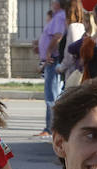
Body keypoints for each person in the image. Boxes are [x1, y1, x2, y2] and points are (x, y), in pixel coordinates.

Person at [36, 0, 68, 138]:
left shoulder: (60, 16)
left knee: (51, 97)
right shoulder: (57, 16)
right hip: (50, 60)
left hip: (53, 60)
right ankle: (51, 128)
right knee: (51, 95)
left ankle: (51, 129)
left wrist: (48, 51)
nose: (51, 3)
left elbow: (58, 35)